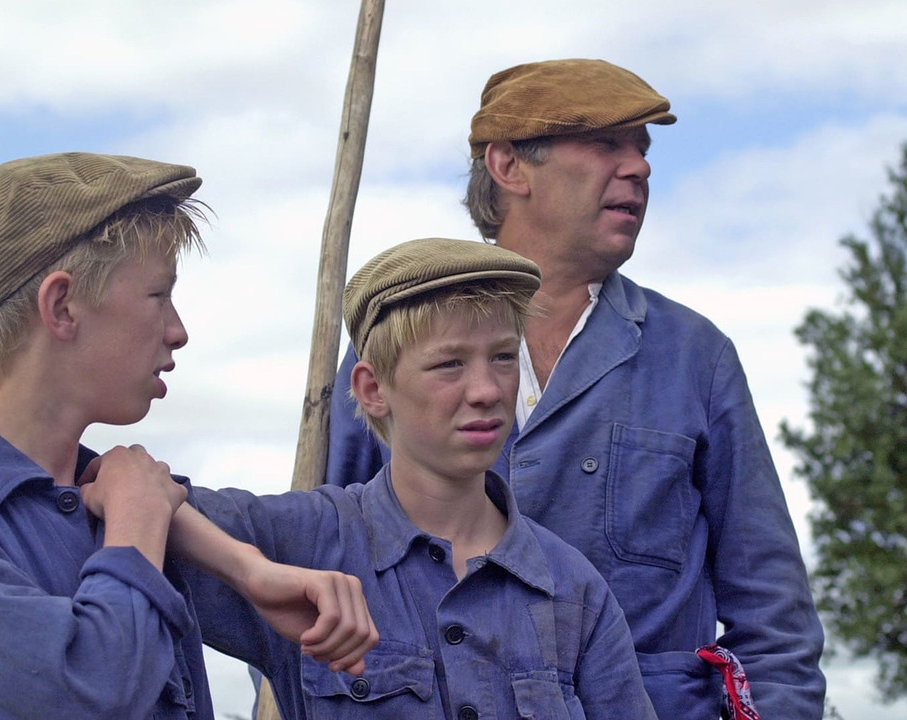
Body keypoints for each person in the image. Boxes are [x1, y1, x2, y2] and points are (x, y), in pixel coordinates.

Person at [326, 59, 828, 719]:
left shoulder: (694, 357)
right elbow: (319, 579)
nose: (639, 167)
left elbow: (773, 616)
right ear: (508, 166)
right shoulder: (390, 351)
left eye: (642, 149)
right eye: (605, 144)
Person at [0, 152, 375, 720]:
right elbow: (93, 690)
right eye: (158, 295)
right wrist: (136, 516)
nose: (179, 331)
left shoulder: (136, 499)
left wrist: (249, 569)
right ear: (62, 306)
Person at [111, 237, 655, 719]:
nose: (487, 389)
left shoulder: (573, 587)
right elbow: (119, 484)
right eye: (450, 364)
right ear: (372, 390)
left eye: (504, 357)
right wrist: (249, 570)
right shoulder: (302, 542)